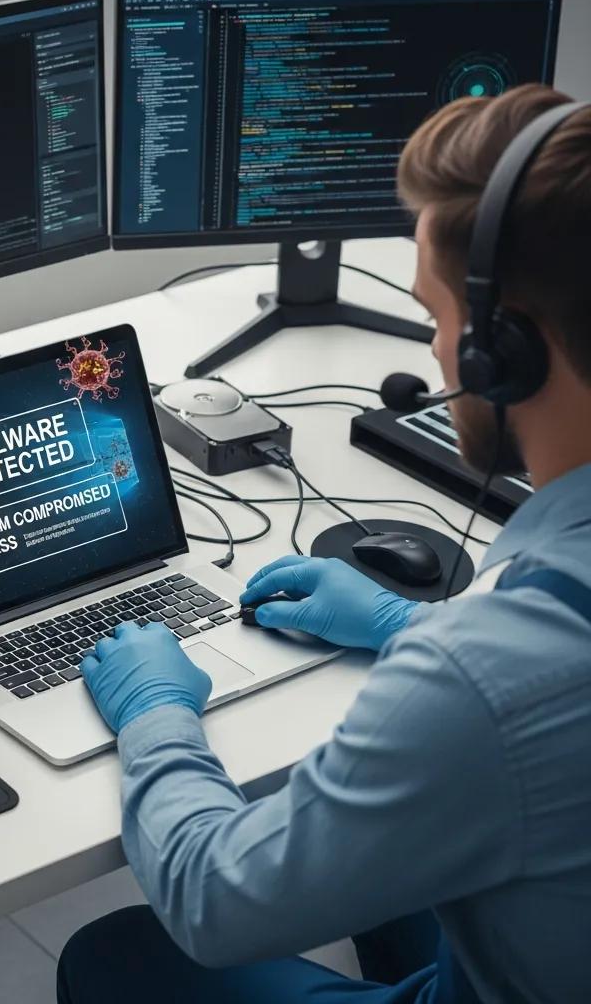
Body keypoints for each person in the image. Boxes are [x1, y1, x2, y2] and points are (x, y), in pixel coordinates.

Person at [58, 84, 591, 1004]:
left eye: (438, 319)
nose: (436, 353)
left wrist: (154, 713)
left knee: (118, 957)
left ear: (502, 353)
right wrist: (405, 624)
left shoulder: (487, 680)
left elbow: (214, 900)